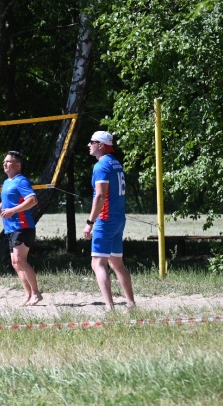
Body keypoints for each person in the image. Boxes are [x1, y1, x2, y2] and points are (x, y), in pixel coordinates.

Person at [0, 151, 42, 306]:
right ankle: (28, 294)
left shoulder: (21, 181)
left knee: (20, 260)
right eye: (4, 161)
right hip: (11, 228)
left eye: (8, 161)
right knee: (15, 262)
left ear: (17, 165)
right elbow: (4, 204)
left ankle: (36, 293)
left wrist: (13, 211)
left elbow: (33, 200)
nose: (5, 164)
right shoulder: (7, 182)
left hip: (23, 226)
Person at [83, 130, 136, 310]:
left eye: (92, 142)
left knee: (97, 263)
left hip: (105, 219)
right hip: (118, 218)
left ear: (101, 145)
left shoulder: (101, 166)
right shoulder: (116, 163)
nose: (89, 145)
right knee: (117, 263)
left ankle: (109, 307)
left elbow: (100, 196)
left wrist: (90, 223)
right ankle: (131, 304)